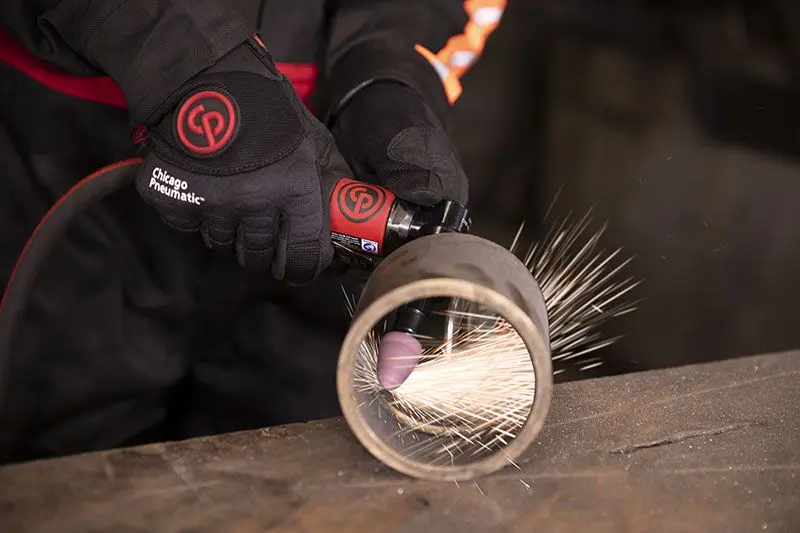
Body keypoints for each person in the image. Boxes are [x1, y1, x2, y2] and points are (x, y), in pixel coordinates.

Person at [0, 0, 505, 463]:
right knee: (68, 473)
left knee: (303, 477)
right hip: (78, 133)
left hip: (330, 172)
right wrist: (179, 53)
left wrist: (388, 66)